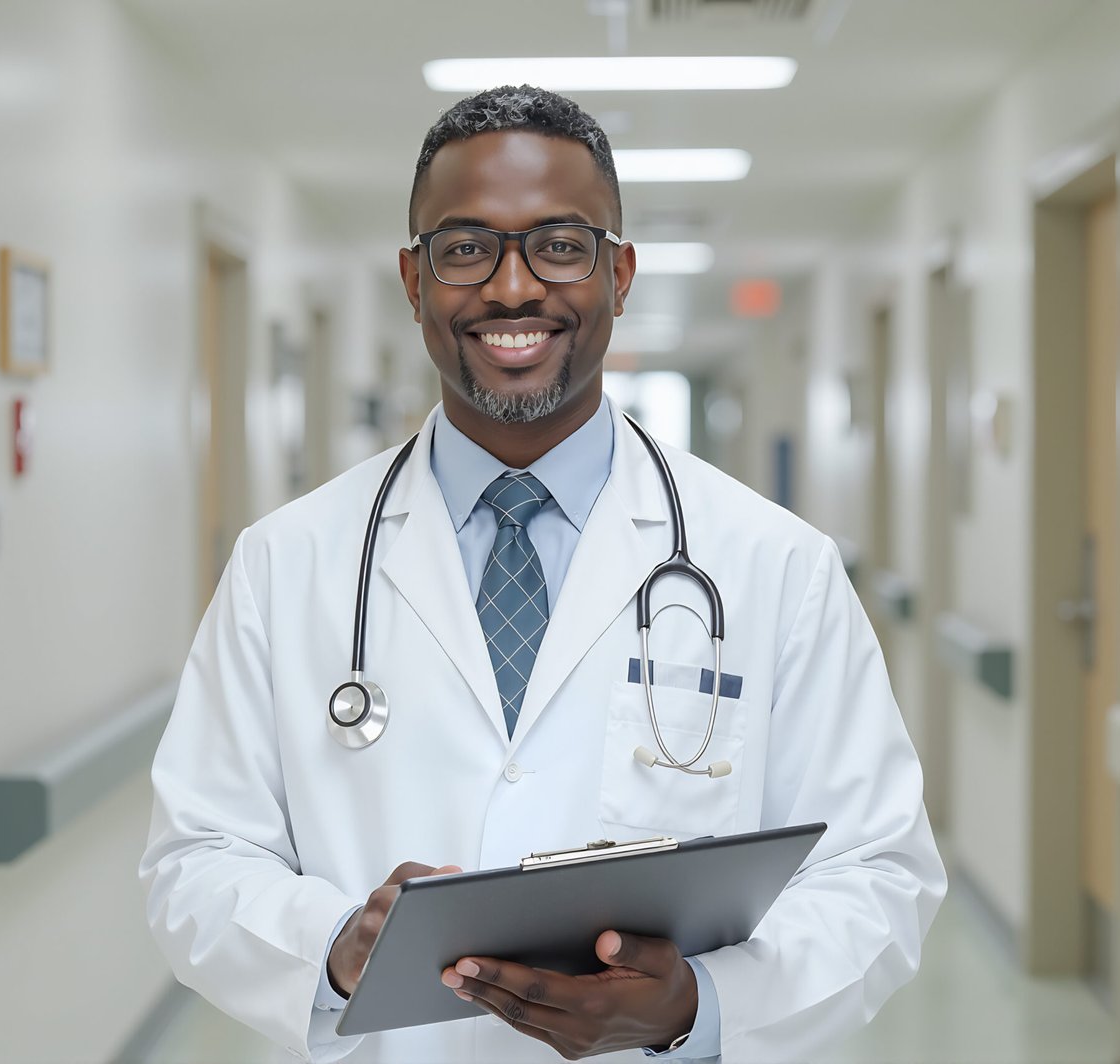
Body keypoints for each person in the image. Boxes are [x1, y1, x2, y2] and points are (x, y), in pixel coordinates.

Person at [142, 85, 944, 1063]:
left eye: (560, 244)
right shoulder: (287, 561)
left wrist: (697, 1002)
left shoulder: (774, 563)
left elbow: (880, 872)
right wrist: (337, 945)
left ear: (621, 273)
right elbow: (196, 860)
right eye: (465, 246)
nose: (513, 287)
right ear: (412, 277)